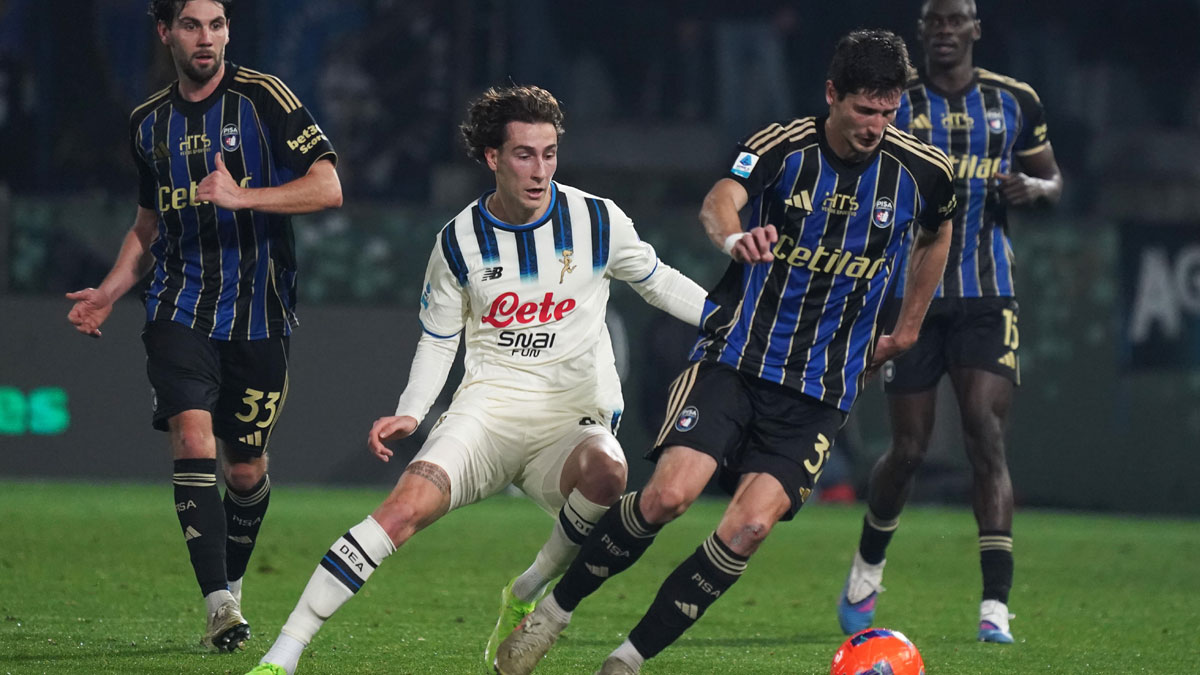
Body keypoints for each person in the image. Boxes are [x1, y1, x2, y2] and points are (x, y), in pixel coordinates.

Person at [495, 29, 957, 675]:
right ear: (832, 94)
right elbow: (720, 200)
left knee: (748, 528)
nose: (875, 126)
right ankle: (553, 612)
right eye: (863, 110)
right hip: (737, 358)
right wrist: (734, 237)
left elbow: (938, 232)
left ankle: (626, 661)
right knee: (668, 497)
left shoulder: (923, 172)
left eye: (888, 111)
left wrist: (908, 327)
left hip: (821, 389)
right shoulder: (783, 147)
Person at [245, 84, 708, 675]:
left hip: (571, 419)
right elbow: (439, 339)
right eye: (524, 155)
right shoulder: (458, 241)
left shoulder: (597, 219)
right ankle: (282, 656)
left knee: (609, 470)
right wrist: (412, 410)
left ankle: (530, 587)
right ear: (493, 157)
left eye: (549, 154)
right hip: (486, 415)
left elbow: (659, 281)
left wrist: (730, 320)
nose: (539, 170)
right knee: (401, 512)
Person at [65, 0, 342, 653]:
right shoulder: (147, 123)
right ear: (165, 33)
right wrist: (109, 291)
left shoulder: (264, 97)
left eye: (216, 24)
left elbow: (327, 186)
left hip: (259, 312)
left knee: (244, 470)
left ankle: (232, 585)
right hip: (178, 303)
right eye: (191, 25)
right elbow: (148, 224)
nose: (206, 38)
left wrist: (244, 196)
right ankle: (219, 604)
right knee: (191, 435)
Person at [836, 0, 1063, 645]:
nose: (944, 30)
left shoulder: (1014, 101)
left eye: (955, 20)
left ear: (974, 30)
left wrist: (1034, 189)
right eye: (934, 21)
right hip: (910, 297)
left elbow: (1053, 180)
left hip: (988, 295)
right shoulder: (895, 103)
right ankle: (868, 564)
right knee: (908, 449)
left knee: (984, 432)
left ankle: (995, 607)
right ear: (922, 32)